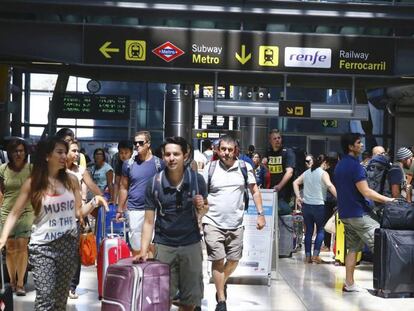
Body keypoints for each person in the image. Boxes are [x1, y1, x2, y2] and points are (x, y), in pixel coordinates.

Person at [0, 137, 108, 310]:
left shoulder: (72, 180)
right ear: (47, 156)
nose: (64, 156)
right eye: (60, 152)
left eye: (65, 152)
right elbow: (14, 212)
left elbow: (78, 212)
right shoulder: (34, 182)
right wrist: (3, 238)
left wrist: (95, 201)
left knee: (60, 302)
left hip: (68, 246)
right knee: (45, 299)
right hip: (43, 247)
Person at [136, 136, 208, 311]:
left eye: (176, 154)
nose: (171, 158)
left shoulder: (197, 180)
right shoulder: (154, 183)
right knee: (161, 298)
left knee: (190, 300)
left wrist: (202, 207)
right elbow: (148, 221)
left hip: (191, 244)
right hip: (164, 246)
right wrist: (144, 251)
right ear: (162, 155)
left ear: (185, 155)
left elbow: (203, 212)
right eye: (167, 154)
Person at [202, 135, 265, 311]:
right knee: (217, 259)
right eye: (223, 149)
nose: (226, 153)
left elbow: (254, 191)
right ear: (217, 150)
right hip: (212, 221)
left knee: (234, 260)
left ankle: (222, 281)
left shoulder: (244, 168)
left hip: (236, 223)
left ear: (235, 150)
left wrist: (261, 214)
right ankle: (221, 301)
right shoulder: (210, 168)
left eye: (230, 150)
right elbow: (200, 194)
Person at [334, 133, 394, 292]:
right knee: (382, 245)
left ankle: (349, 283)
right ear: (351, 147)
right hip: (359, 214)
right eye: (358, 143)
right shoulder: (355, 166)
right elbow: (366, 192)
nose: (361, 145)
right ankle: (386, 286)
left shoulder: (340, 165)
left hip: (346, 214)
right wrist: (389, 200)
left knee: (353, 248)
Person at [116, 131, 164, 256]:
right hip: (134, 209)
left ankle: (152, 272)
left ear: (148, 144)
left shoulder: (159, 164)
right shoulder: (128, 164)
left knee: (153, 243)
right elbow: (123, 187)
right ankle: (139, 271)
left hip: (154, 209)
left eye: (140, 142)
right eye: (135, 143)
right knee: (136, 244)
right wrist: (120, 209)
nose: (137, 145)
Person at [66, 139, 102, 299]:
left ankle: (72, 286)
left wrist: (101, 198)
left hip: (77, 215)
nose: (76, 154)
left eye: (77, 151)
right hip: (57, 218)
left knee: (75, 252)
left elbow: (93, 187)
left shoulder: (80, 171)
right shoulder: (54, 171)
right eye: (72, 150)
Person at [0, 138, 33, 296]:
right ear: (10, 153)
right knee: (10, 248)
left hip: (26, 211)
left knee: (22, 246)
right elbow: (0, 192)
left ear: (25, 152)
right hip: (6, 211)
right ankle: (11, 282)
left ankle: (20, 284)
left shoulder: (31, 169)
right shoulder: (2, 169)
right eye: (15, 151)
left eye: (21, 150)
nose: (18, 153)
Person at [293, 154, 337, 264]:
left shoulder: (307, 172)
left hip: (306, 206)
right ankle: (316, 256)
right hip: (319, 206)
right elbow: (329, 185)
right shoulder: (323, 173)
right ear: (325, 163)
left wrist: (298, 197)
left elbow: (295, 182)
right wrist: (340, 197)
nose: (328, 167)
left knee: (308, 231)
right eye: (328, 165)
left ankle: (308, 256)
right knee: (321, 230)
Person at [266, 129, 296, 215]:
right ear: (270, 141)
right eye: (274, 138)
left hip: (285, 194)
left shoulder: (288, 152)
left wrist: (279, 186)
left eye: (279, 138)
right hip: (271, 193)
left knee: (285, 216)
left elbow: (289, 172)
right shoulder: (268, 152)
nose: (277, 140)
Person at [112, 140, 134, 204]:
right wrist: (114, 200)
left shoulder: (136, 163)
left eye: (126, 153)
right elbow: (116, 183)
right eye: (121, 153)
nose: (123, 155)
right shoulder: (119, 164)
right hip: (123, 194)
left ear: (131, 152)